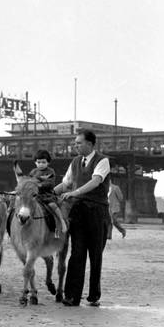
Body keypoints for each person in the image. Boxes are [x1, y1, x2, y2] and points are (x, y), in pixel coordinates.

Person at [54, 129, 110, 306]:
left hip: (97, 212)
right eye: (75, 143)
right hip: (78, 212)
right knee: (77, 253)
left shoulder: (103, 160)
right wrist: (47, 191)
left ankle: (94, 296)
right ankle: (72, 296)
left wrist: (74, 193)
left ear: (90, 144)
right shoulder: (75, 161)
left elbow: (96, 181)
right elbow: (66, 183)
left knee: (95, 255)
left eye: (78, 143)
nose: (75, 145)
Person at [28, 150, 64, 234]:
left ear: (48, 163)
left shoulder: (50, 171)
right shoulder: (33, 172)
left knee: (52, 205)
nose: (41, 164)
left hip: (46, 195)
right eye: (39, 162)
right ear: (35, 162)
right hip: (35, 195)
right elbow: (28, 181)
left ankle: (61, 221)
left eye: (43, 162)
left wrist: (39, 185)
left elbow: (50, 183)